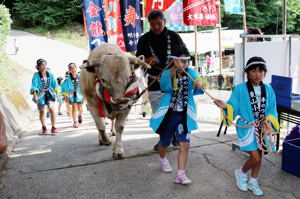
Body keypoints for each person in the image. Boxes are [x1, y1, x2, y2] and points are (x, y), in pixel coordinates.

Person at [213, 57, 279, 196]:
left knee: (259, 156)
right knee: (254, 157)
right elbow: (233, 106)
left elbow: (272, 109)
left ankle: (253, 180)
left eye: (261, 71)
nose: (257, 74)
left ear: (264, 73)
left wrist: (269, 120)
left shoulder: (268, 89)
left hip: (262, 128)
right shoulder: (240, 89)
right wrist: (225, 106)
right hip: (247, 127)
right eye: (254, 71)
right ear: (247, 73)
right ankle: (241, 173)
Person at [149, 47, 204, 185]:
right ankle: (162, 158)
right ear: (174, 60)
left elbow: (199, 82)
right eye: (179, 60)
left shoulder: (191, 72)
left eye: (185, 61)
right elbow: (165, 87)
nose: (183, 64)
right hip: (169, 114)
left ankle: (180, 174)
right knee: (164, 143)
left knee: (185, 144)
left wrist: (200, 84)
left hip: (184, 115)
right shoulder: (167, 73)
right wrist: (173, 72)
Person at [136, 10, 186, 148]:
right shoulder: (144, 39)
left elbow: (185, 54)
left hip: (173, 81)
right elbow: (137, 60)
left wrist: (179, 61)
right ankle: (164, 138)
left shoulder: (174, 36)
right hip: (154, 82)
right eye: (153, 25)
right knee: (159, 113)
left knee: (174, 111)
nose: (156, 27)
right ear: (149, 24)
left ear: (164, 22)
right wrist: (145, 60)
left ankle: (173, 136)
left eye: (159, 23)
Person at [30, 59, 60, 134]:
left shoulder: (50, 74)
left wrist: (57, 94)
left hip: (49, 94)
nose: (43, 66)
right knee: (42, 111)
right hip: (40, 95)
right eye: (41, 65)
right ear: (38, 67)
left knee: (51, 109)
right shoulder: (36, 75)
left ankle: (53, 126)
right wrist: (35, 96)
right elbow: (34, 86)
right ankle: (44, 126)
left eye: (45, 65)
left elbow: (55, 85)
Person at [63, 63, 83, 128]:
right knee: (74, 107)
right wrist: (66, 95)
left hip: (79, 94)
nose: (73, 69)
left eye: (74, 68)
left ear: (76, 68)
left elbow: (84, 84)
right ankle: (75, 122)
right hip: (71, 94)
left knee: (80, 108)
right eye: (71, 68)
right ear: (69, 70)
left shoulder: (80, 76)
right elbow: (64, 86)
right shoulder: (67, 79)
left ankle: (80, 115)